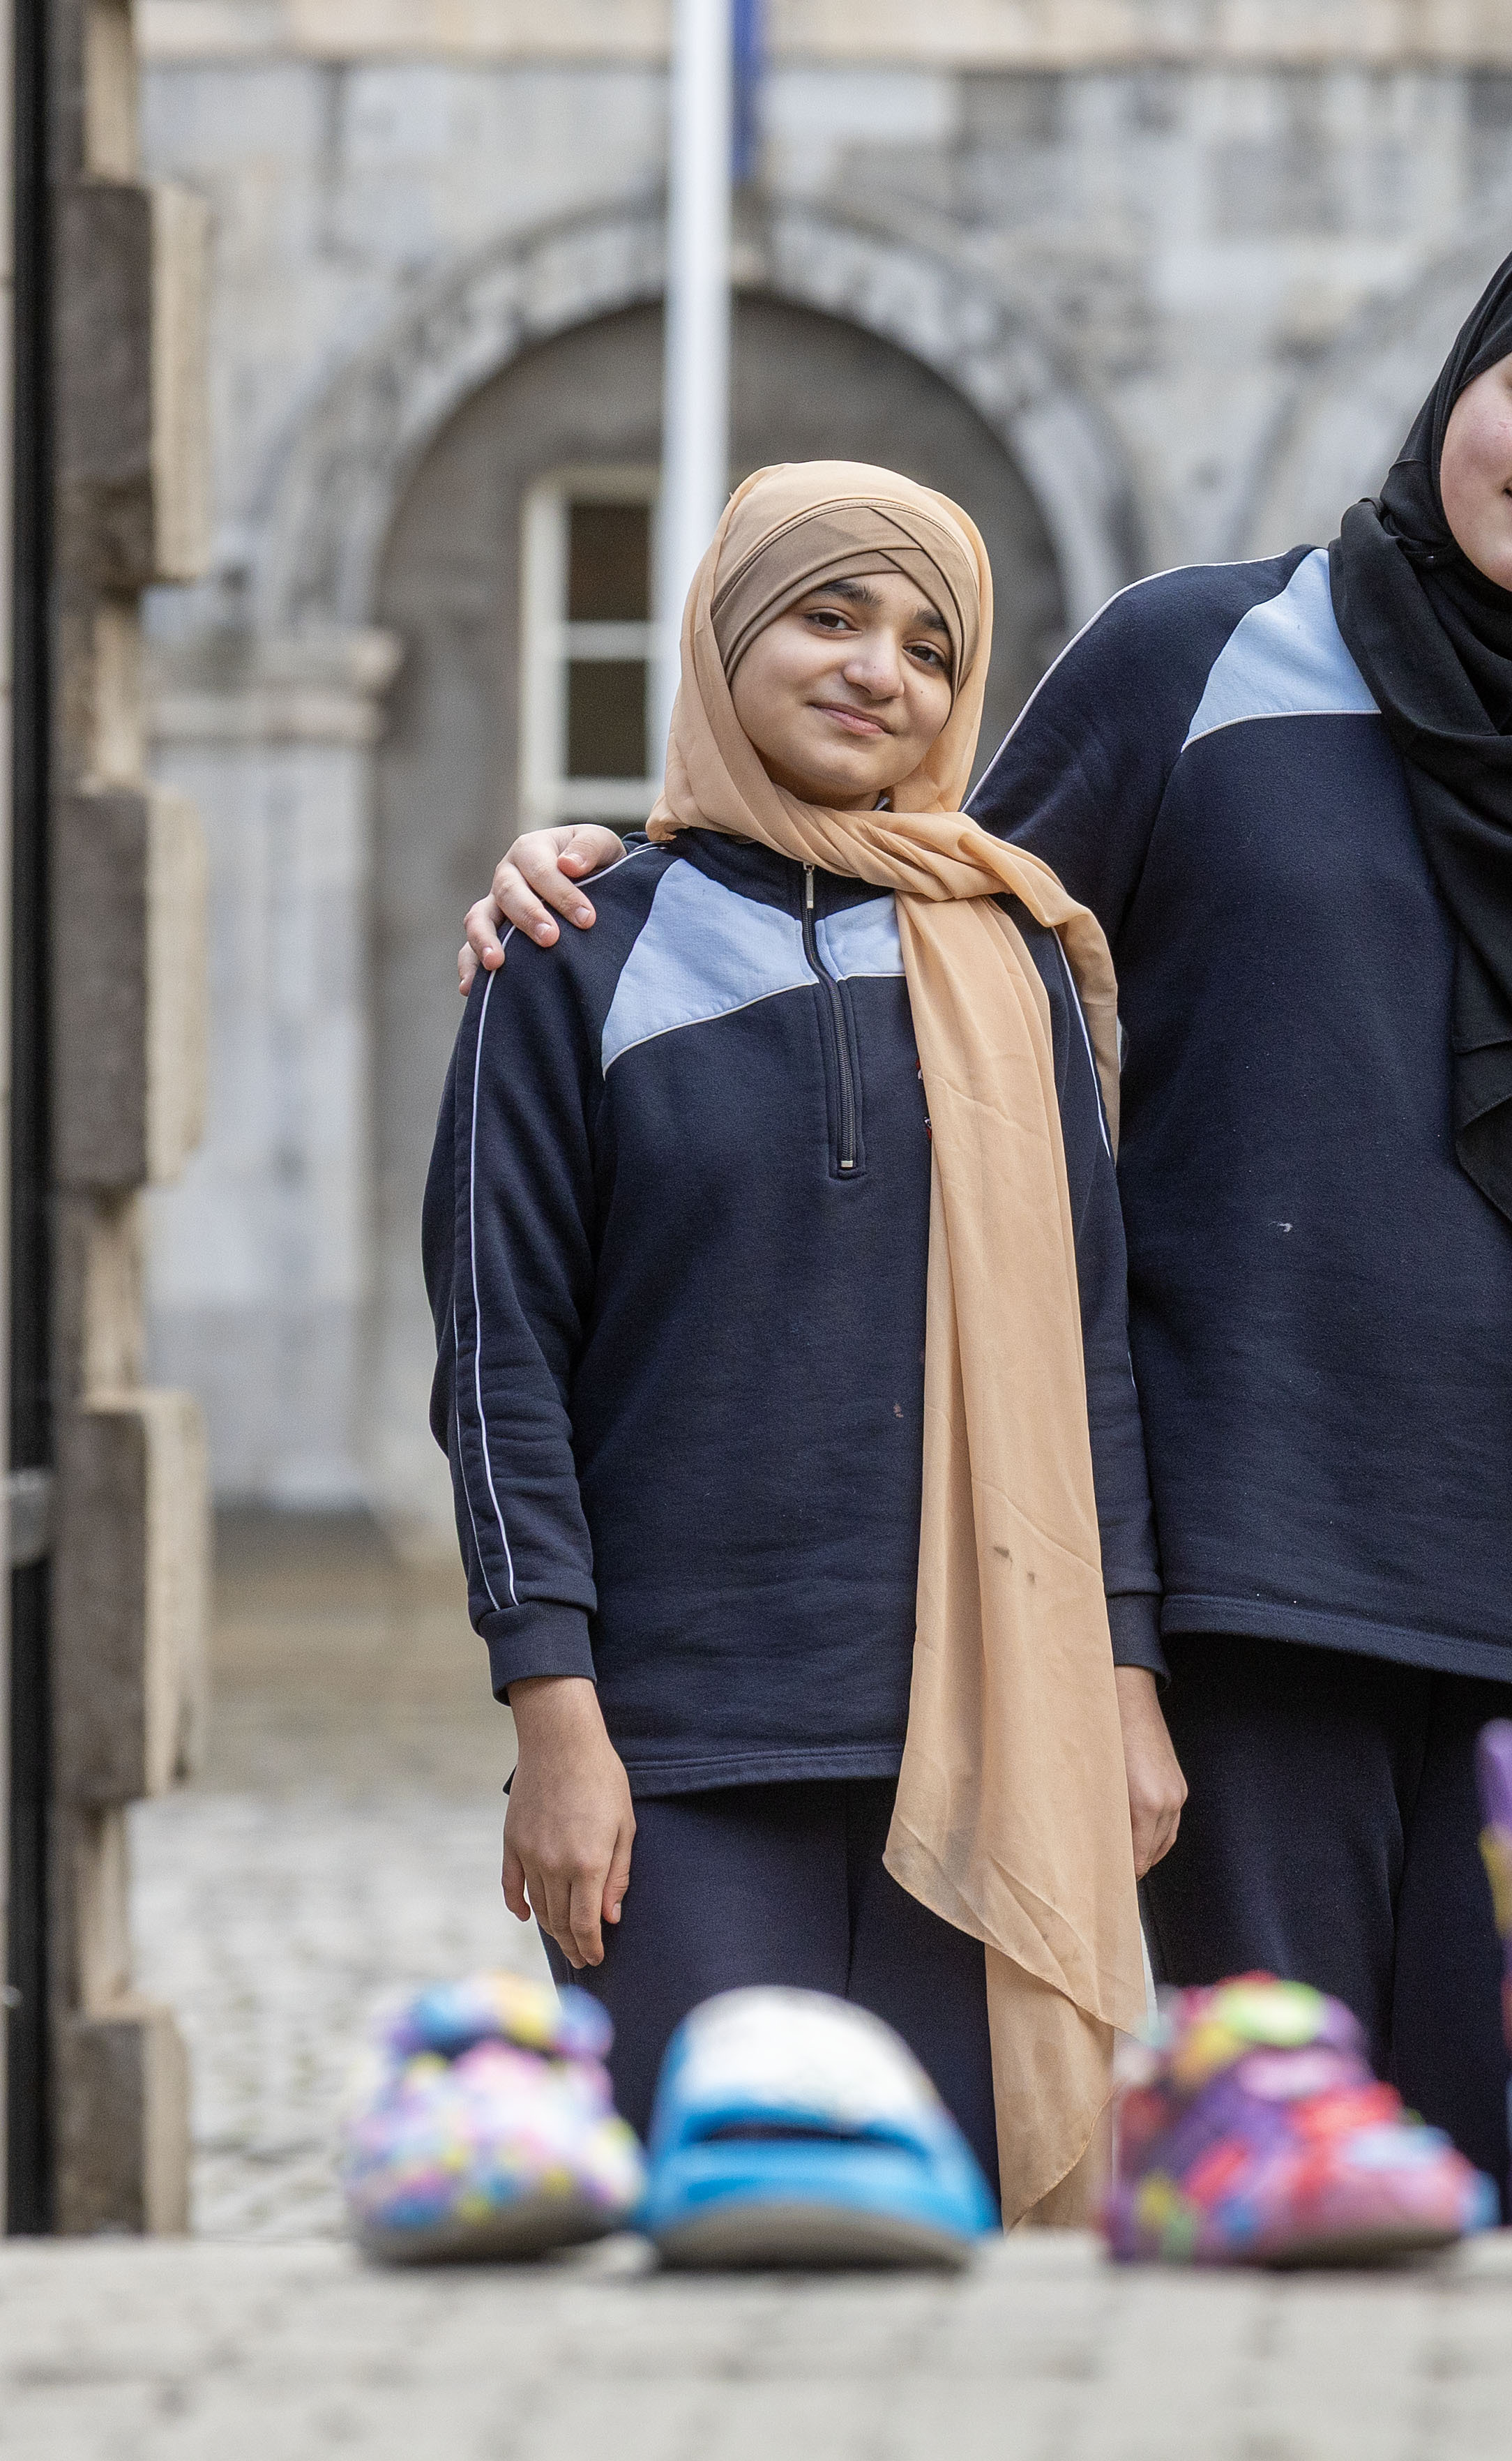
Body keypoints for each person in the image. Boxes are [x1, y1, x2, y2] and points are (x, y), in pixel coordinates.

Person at [455, 222, 1512, 2190]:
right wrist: (603, 875)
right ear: (1455, 391)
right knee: (1278, 2186)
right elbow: (917, 935)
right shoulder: (1197, 657)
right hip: (1253, 1582)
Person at [428, 462, 1177, 2222]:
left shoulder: (1012, 952)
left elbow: (1091, 1348)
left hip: (988, 1731)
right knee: (713, 2269)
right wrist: (556, 1720)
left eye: (929, 644)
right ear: (724, 633)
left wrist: (1126, 1681)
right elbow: (499, 1362)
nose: (878, 671)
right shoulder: (571, 952)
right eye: (828, 615)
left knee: (966, 2283)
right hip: (682, 1752)